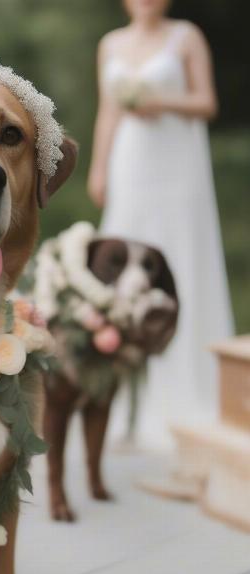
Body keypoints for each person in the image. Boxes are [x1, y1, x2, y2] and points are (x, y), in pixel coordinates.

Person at [87, 0, 234, 448]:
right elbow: (108, 112)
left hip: (176, 167)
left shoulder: (185, 36)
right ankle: (124, 401)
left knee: (179, 263)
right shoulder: (110, 43)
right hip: (133, 165)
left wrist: (159, 101)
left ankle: (188, 390)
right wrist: (99, 167)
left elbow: (207, 102)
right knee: (124, 273)